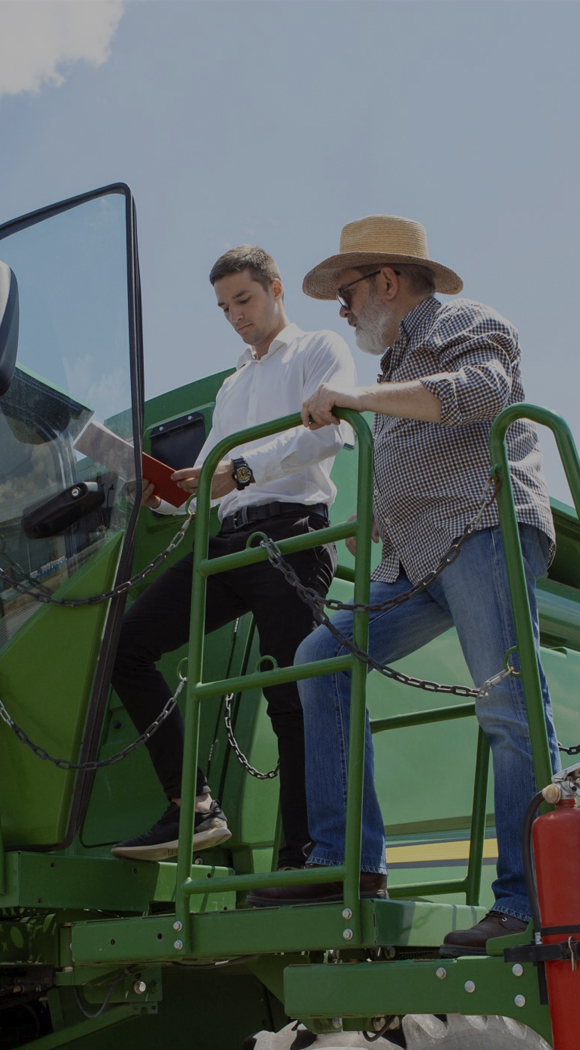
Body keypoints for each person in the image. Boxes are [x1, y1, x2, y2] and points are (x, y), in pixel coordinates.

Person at [245, 215, 559, 958]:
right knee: (323, 656)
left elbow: (478, 395)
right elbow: (420, 452)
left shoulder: (466, 321)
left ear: (387, 280)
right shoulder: (392, 373)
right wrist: (378, 518)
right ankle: (347, 858)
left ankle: (527, 905)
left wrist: (352, 401)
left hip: (482, 527)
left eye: (347, 294)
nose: (344, 311)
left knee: (508, 705)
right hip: (418, 556)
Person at [110, 246, 356, 863]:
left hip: (291, 539)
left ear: (276, 288)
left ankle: (302, 861)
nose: (235, 316)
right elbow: (210, 482)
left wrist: (238, 470)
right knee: (128, 646)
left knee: (289, 699)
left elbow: (330, 432)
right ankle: (190, 808)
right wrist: (163, 499)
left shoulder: (319, 349)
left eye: (243, 300)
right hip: (226, 541)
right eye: (224, 307)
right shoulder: (232, 384)